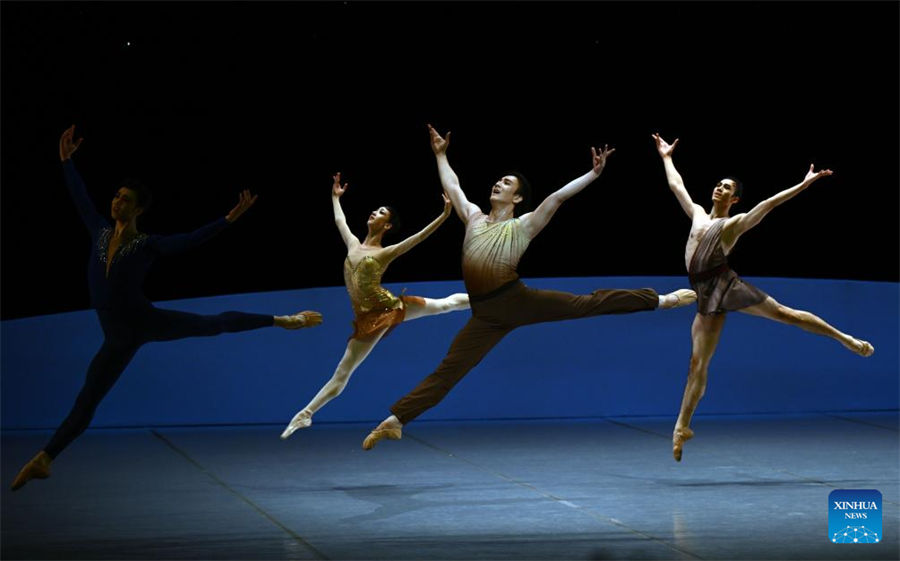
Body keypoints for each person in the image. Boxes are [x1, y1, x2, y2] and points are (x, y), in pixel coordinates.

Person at [10, 125, 323, 491]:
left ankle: (282, 320)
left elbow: (190, 240)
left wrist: (228, 220)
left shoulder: (147, 245)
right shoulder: (98, 232)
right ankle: (45, 459)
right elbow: (79, 196)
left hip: (145, 321)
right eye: (116, 196)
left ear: (138, 208)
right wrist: (65, 160)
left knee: (212, 324)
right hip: (116, 338)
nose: (117, 202)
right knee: (87, 400)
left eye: (125, 199)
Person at [361, 125, 696, 450]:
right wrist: (440, 155)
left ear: (517, 197)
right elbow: (454, 185)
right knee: (450, 369)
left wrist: (592, 175)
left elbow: (556, 198)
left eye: (506, 183)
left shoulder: (524, 225)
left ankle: (661, 299)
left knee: (588, 303)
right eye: (498, 180)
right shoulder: (474, 217)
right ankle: (396, 421)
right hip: (485, 314)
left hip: (516, 299)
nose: (498, 183)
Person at [650, 132, 875, 462]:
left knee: (786, 314)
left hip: (725, 284)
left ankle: (845, 338)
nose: (720, 188)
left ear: (734, 199)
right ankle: (681, 427)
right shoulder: (698, 214)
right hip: (705, 295)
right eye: (719, 184)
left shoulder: (734, 223)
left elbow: (768, 204)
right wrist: (667, 158)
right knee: (697, 364)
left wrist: (802, 185)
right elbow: (676, 186)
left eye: (727, 187)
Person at [280, 173, 469, 438]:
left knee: (443, 305)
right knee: (342, 373)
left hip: (388, 309)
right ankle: (305, 414)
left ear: (387, 225)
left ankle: (484, 297)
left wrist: (444, 215)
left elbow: (417, 238)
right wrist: (335, 197)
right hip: (367, 318)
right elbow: (339, 220)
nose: (374, 212)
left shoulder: (384, 252)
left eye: (381, 212)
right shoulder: (354, 244)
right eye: (375, 209)